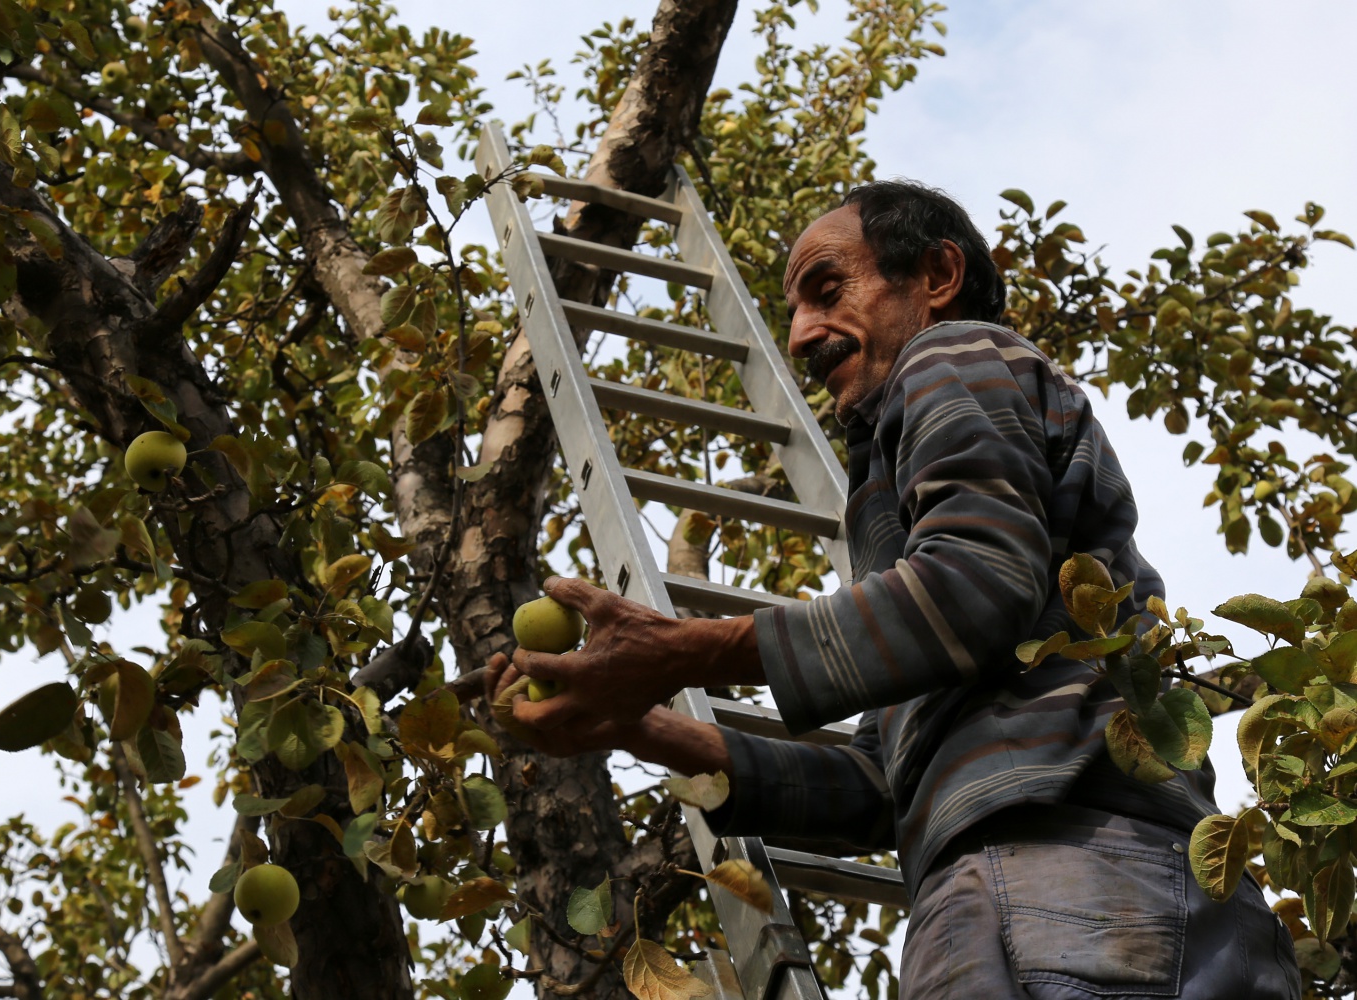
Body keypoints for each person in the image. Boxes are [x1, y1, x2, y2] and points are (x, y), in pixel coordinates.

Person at [484, 180, 1300, 998]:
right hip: (1088, 889)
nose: (801, 336)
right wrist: (637, 723)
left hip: (1068, 875)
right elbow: (880, 788)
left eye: (827, 290)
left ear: (937, 276)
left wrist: (677, 654)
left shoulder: (953, 355)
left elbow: (975, 585)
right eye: (793, 311)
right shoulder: (903, 524)